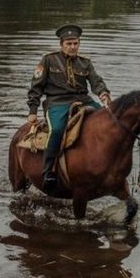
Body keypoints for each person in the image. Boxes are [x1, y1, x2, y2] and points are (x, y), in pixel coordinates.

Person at [27, 24, 111, 192]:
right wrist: (33, 111)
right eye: (69, 43)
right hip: (57, 103)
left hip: (83, 100)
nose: (73, 47)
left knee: (107, 122)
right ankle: (48, 171)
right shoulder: (48, 60)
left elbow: (96, 82)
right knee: (57, 130)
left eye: (76, 43)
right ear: (61, 44)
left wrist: (103, 94)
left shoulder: (85, 63)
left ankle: (107, 164)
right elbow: (36, 87)